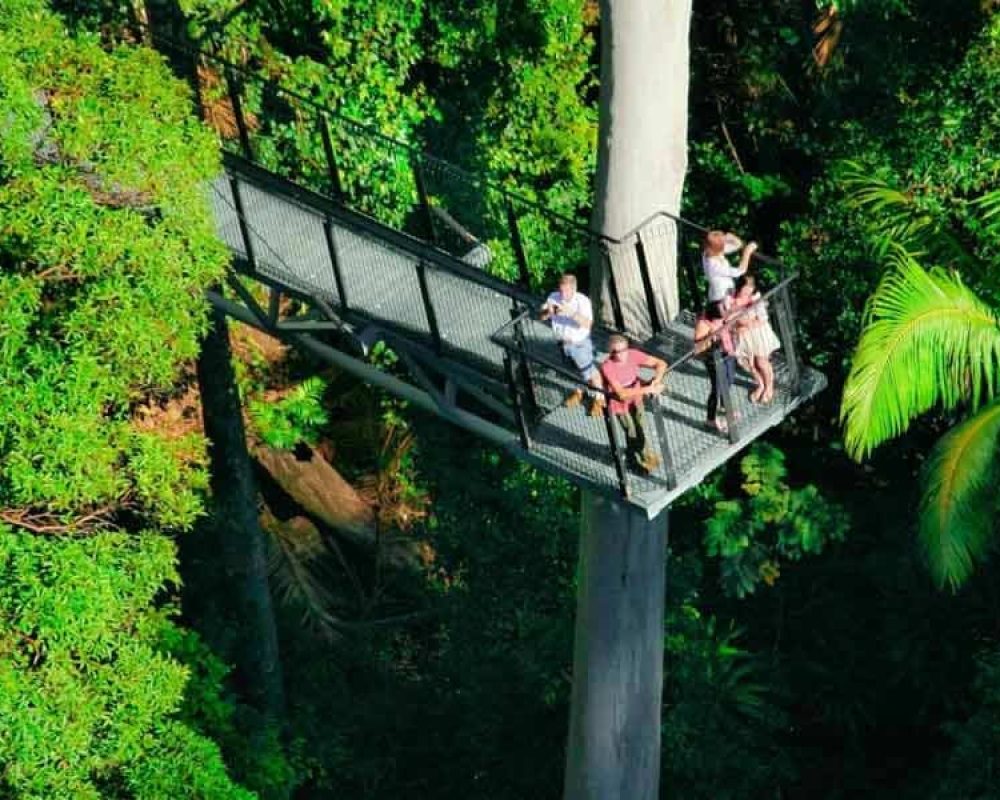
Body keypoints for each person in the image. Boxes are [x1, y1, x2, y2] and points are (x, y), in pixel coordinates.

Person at [599, 334, 667, 474]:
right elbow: (621, 393)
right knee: (631, 431)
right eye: (616, 352)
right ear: (610, 352)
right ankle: (633, 460)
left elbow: (661, 364)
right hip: (620, 404)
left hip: (636, 398)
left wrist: (656, 381)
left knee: (640, 425)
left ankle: (646, 455)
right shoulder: (608, 367)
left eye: (623, 350)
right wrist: (649, 388)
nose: (621, 354)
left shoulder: (633, 355)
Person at [540, 274, 605, 416]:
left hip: (579, 343)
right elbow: (542, 316)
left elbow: (588, 324)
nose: (563, 295)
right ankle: (580, 391)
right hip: (563, 343)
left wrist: (570, 313)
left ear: (574, 289)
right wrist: (548, 312)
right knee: (573, 370)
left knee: (590, 371)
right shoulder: (553, 297)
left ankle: (600, 398)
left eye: (567, 291)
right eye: (561, 290)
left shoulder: (582, 301)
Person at [730, 274, 781, 404]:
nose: (748, 291)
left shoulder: (755, 299)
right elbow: (729, 319)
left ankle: (769, 387)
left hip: (758, 334)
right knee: (750, 364)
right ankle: (761, 385)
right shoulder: (732, 299)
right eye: (745, 288)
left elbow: (762, 319)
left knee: (761, 361)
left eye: (750, 288)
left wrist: (746, 325)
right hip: (744, 337)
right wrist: (737, 327)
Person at [694, 301, 738, 434]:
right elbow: (697, 345)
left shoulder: (723, 316)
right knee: (717, 388)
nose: (725, 313)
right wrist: (711, 336)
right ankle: (710, 419)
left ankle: (725, 406)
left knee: (729, 379)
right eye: (722, 312)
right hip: (713, 358)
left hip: (727, 352)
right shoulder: (704, 323)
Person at [702, 230, 758, 304]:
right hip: (722, 300)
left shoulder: (710, 252)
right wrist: (748, 251)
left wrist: (731, 237)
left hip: (725, 296)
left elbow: (738, 244)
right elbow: (740, 270)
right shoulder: (713, 265)